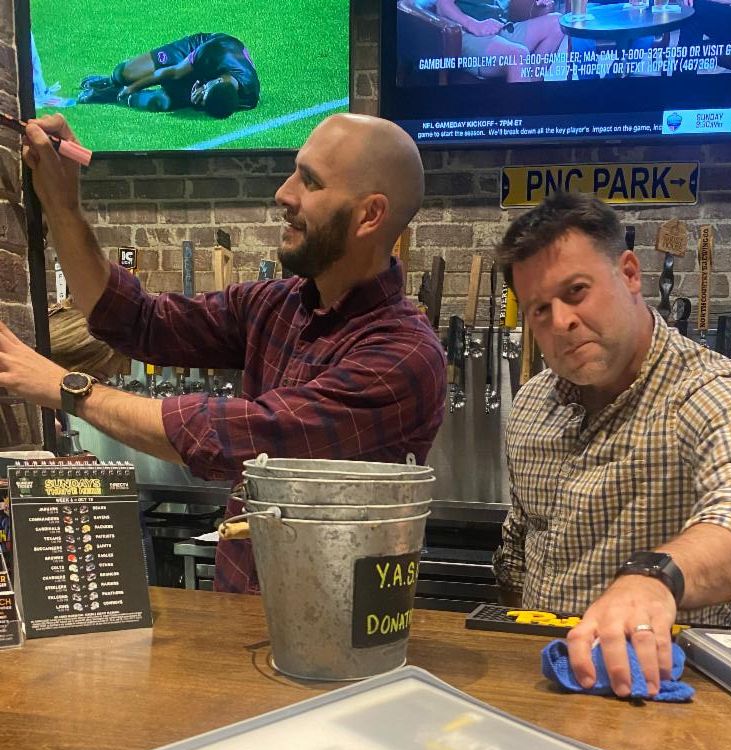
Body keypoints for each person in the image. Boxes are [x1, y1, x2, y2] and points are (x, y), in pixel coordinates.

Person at [0, 112, 447, 592]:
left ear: (370, 215)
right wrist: (62, 204)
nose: (283, 193)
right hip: (238, 615)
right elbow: (136, 320)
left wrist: (65, 387)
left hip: (336, 630)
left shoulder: (404, 356)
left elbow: (243, 435)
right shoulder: (276, 305)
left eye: (311, 181)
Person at [492, 193, 731, 698]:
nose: (562, 321)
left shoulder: (706, 389)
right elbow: (520, 544)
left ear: (630, 274)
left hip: (665, 692)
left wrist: (653, 577)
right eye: (540, 310)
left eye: (576, 291)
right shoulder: (531, 403)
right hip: (543, 683)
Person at [77, 32, 260, 117]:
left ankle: (113, 95)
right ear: (216, 81)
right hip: (191, 53)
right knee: (125, 73)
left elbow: (218, 104)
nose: (202, 96)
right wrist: (132, 87)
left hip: (205, 76)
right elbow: (173, 72)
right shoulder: (213, 52)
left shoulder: (249, 98)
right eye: (204, 94)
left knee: (159, 102)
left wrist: (197, 103)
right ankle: (112, 81)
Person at [435, 1, 564, 82]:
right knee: (518, 54)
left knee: (558, 23)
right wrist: (473, 25)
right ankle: (520, 115)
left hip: (501, 28)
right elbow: (442, 5)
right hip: (468, 34)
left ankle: (531, 95)